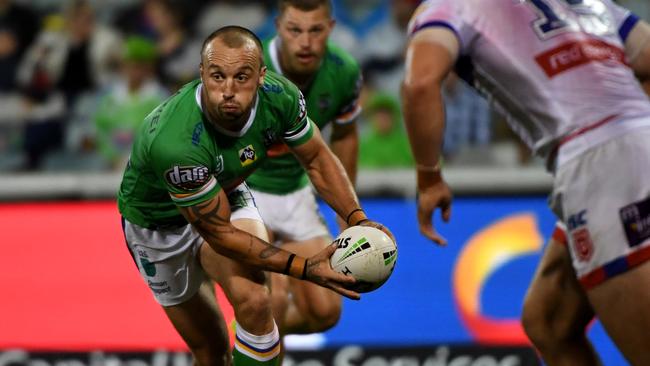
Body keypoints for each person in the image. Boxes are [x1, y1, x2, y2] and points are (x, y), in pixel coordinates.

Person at [118, 25, 392, 366]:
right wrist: (305, 268)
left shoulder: (282, 98)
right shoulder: (176, 142)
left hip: (227, 194)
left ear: (262, 76)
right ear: (201, 73)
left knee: (258, 302)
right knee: (212, 350)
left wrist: (357, 218)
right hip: (157, 227)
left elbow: (317, 158)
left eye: (241, 77)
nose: (228, 91)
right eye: (217, 77)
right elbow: (219, 234)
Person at [401, 0, 650, 364]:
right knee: (547, 320)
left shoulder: (448, 7)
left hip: (597, 166)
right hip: (635, 140)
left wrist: (429, 178)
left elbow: (419, 83)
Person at [245, 0, 363, 335]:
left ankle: (235, 344)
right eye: (295, 30)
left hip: (295, 192)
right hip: (244, 191)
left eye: (315, 30)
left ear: (331, 28)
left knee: (325, 312)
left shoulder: (345, 72)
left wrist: (346, 211)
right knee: (271, 301)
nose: (305, 42)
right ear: (278, 26)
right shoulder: (249, 69)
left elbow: (345, 136)